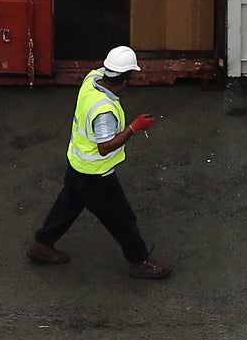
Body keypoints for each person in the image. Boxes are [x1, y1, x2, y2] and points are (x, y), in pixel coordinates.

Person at [26, 46, 173, 279]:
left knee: (68, 204)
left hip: (77, 163)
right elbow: (104, 147)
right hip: (95, 174)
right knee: (121, 218)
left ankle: (42, 244)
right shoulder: (104, 111)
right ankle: (139, 261)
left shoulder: (92, 78)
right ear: (125, 79)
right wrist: (135, 128)